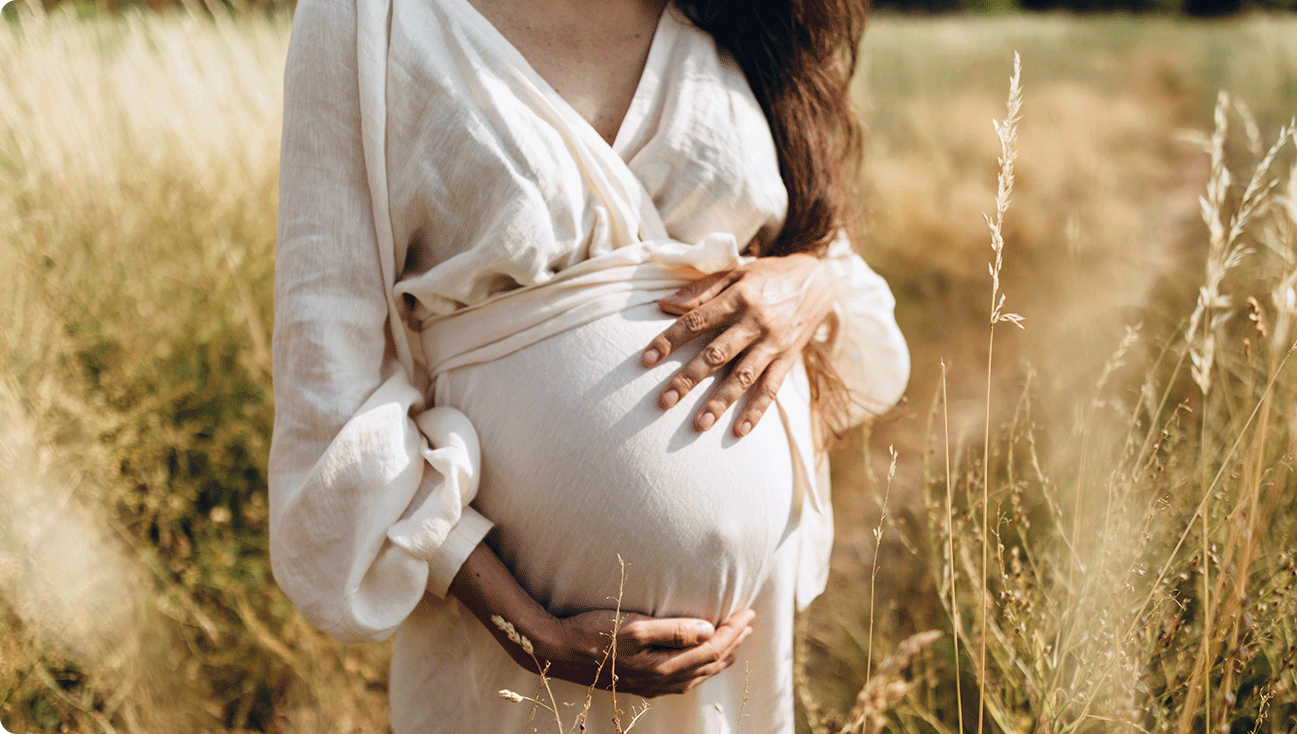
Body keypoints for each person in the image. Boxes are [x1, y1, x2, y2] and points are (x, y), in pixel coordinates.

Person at [267, 0, 909, 731]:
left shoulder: (732, 9)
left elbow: (835, 269)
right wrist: (531, 634)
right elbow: (330, 371)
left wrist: (807, 282)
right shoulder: (368, 18)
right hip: (512, 653)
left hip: (744, 651)